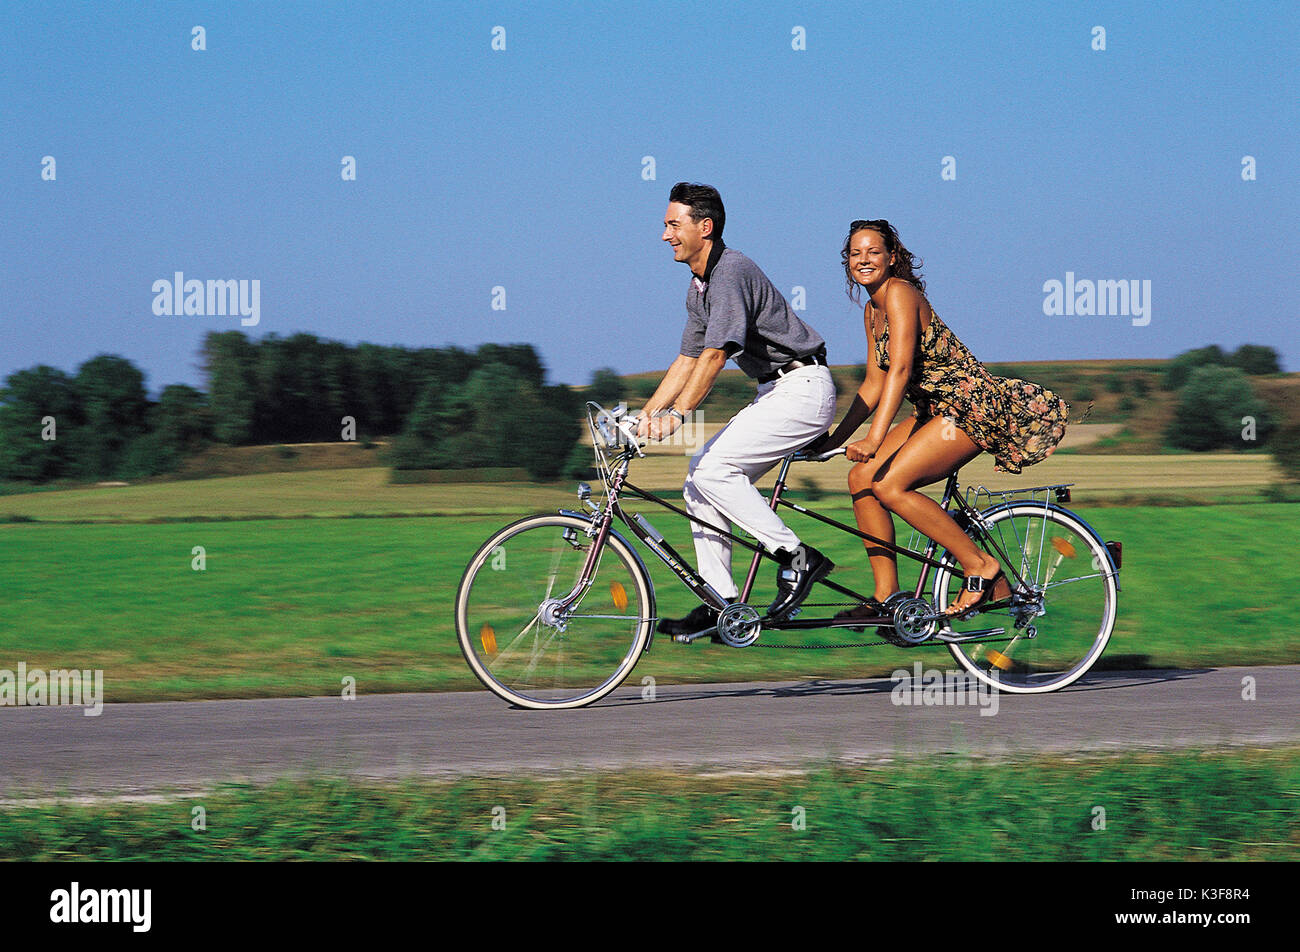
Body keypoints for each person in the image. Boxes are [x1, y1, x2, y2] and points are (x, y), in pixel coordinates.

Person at [808, 219, 1068, 623]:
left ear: (892, 257)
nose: (863, 260)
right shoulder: (871, 310)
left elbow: (900, 369)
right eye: (855, 254)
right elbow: (874, 381)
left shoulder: (899, 293)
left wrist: (875, 438)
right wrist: (833, 440)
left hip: (967, 406)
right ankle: (887, 595)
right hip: (931, 410)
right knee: (860, 479)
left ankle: (979, 565)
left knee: (890, 484)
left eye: (873, 252)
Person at [638, 183, 838, 637]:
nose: (664, 234)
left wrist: (677, 416)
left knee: (713, 472)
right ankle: (719, 601)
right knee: (697, 480)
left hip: (802, 388)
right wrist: (643, 416)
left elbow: (714, 356)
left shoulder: (730, 272)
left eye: (673, 224)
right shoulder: (699, 286)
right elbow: (686, 360)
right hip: (777, 390)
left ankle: (796, 557)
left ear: (703, 227)